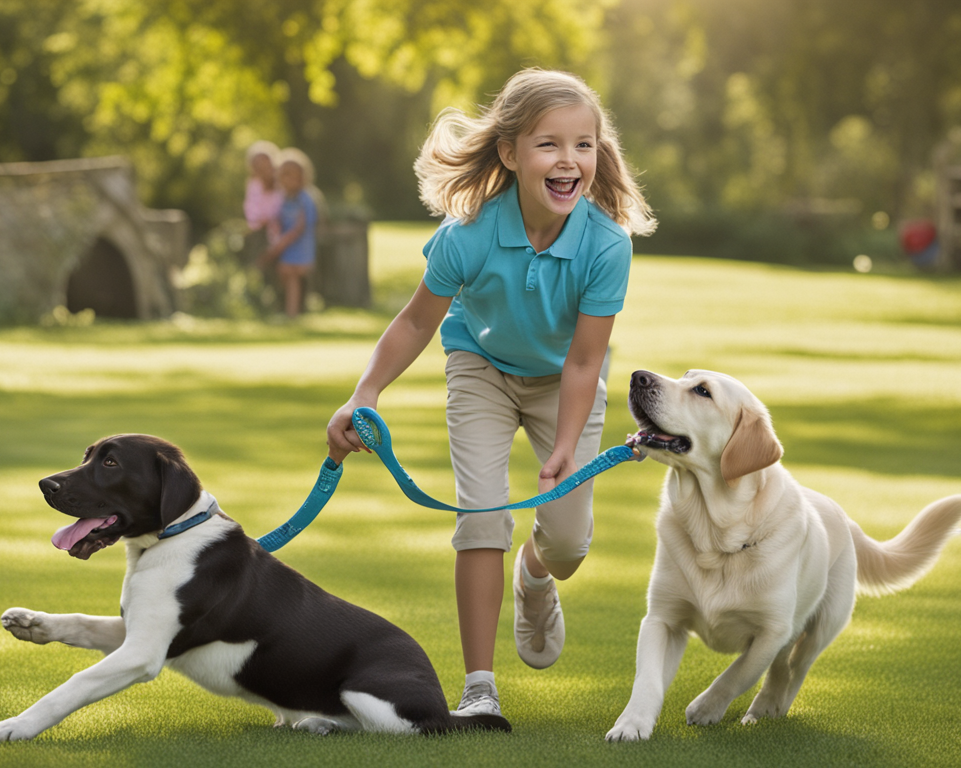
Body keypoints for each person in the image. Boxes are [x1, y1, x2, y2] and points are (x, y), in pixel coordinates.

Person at [326, 68, 655, 719]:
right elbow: (416, 321)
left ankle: (534, 573)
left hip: (564, 381)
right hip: (481, 369)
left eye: (583, 145)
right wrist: (364, 394)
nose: (569, 161)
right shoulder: (469, 233)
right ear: (510, 153)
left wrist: (564, 446)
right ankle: (479, 689)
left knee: (568, 545)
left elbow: (587, 360)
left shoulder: (606, 245)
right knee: (480, 515)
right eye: (549, 144)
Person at [262, 148, 319, 318]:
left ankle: (292, 313)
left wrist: (282, 243)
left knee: (292, 276)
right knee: (284, 275)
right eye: (284, 174)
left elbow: (300, 227)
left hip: (299, 246)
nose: (287, 179)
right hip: (285, 245)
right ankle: (289, 309)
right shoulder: (282, 198)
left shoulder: (305, 199)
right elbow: (276, 219)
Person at [243, 140, 284, 247]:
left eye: (265, 162)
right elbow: (250, 210)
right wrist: (259, 222)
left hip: (283, 233)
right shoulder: (254, 185)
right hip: (261, 235)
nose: (263, 167)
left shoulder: (283, 185)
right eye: (258, 164)